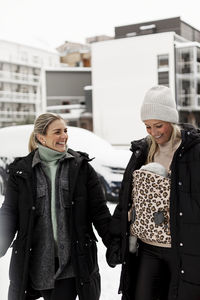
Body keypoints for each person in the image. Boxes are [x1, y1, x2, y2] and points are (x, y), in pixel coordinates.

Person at [0, 113, 111, 300]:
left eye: (65, 131)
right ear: (41, 137)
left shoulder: (81, 168)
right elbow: (9, 212)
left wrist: (115, 244)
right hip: (34, 261)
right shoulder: (21, 171)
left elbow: (99, 211)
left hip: (69, 263)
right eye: (57, 132)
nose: (64, 136)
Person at [106, 85, 200, 300]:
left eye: (159, 125)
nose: (154, 132)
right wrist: (116, 236)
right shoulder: (142, 151)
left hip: (181, 248)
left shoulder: (193, 151)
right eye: (147, 127)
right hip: (147, 247)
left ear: (171, 121)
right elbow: (126, 197)